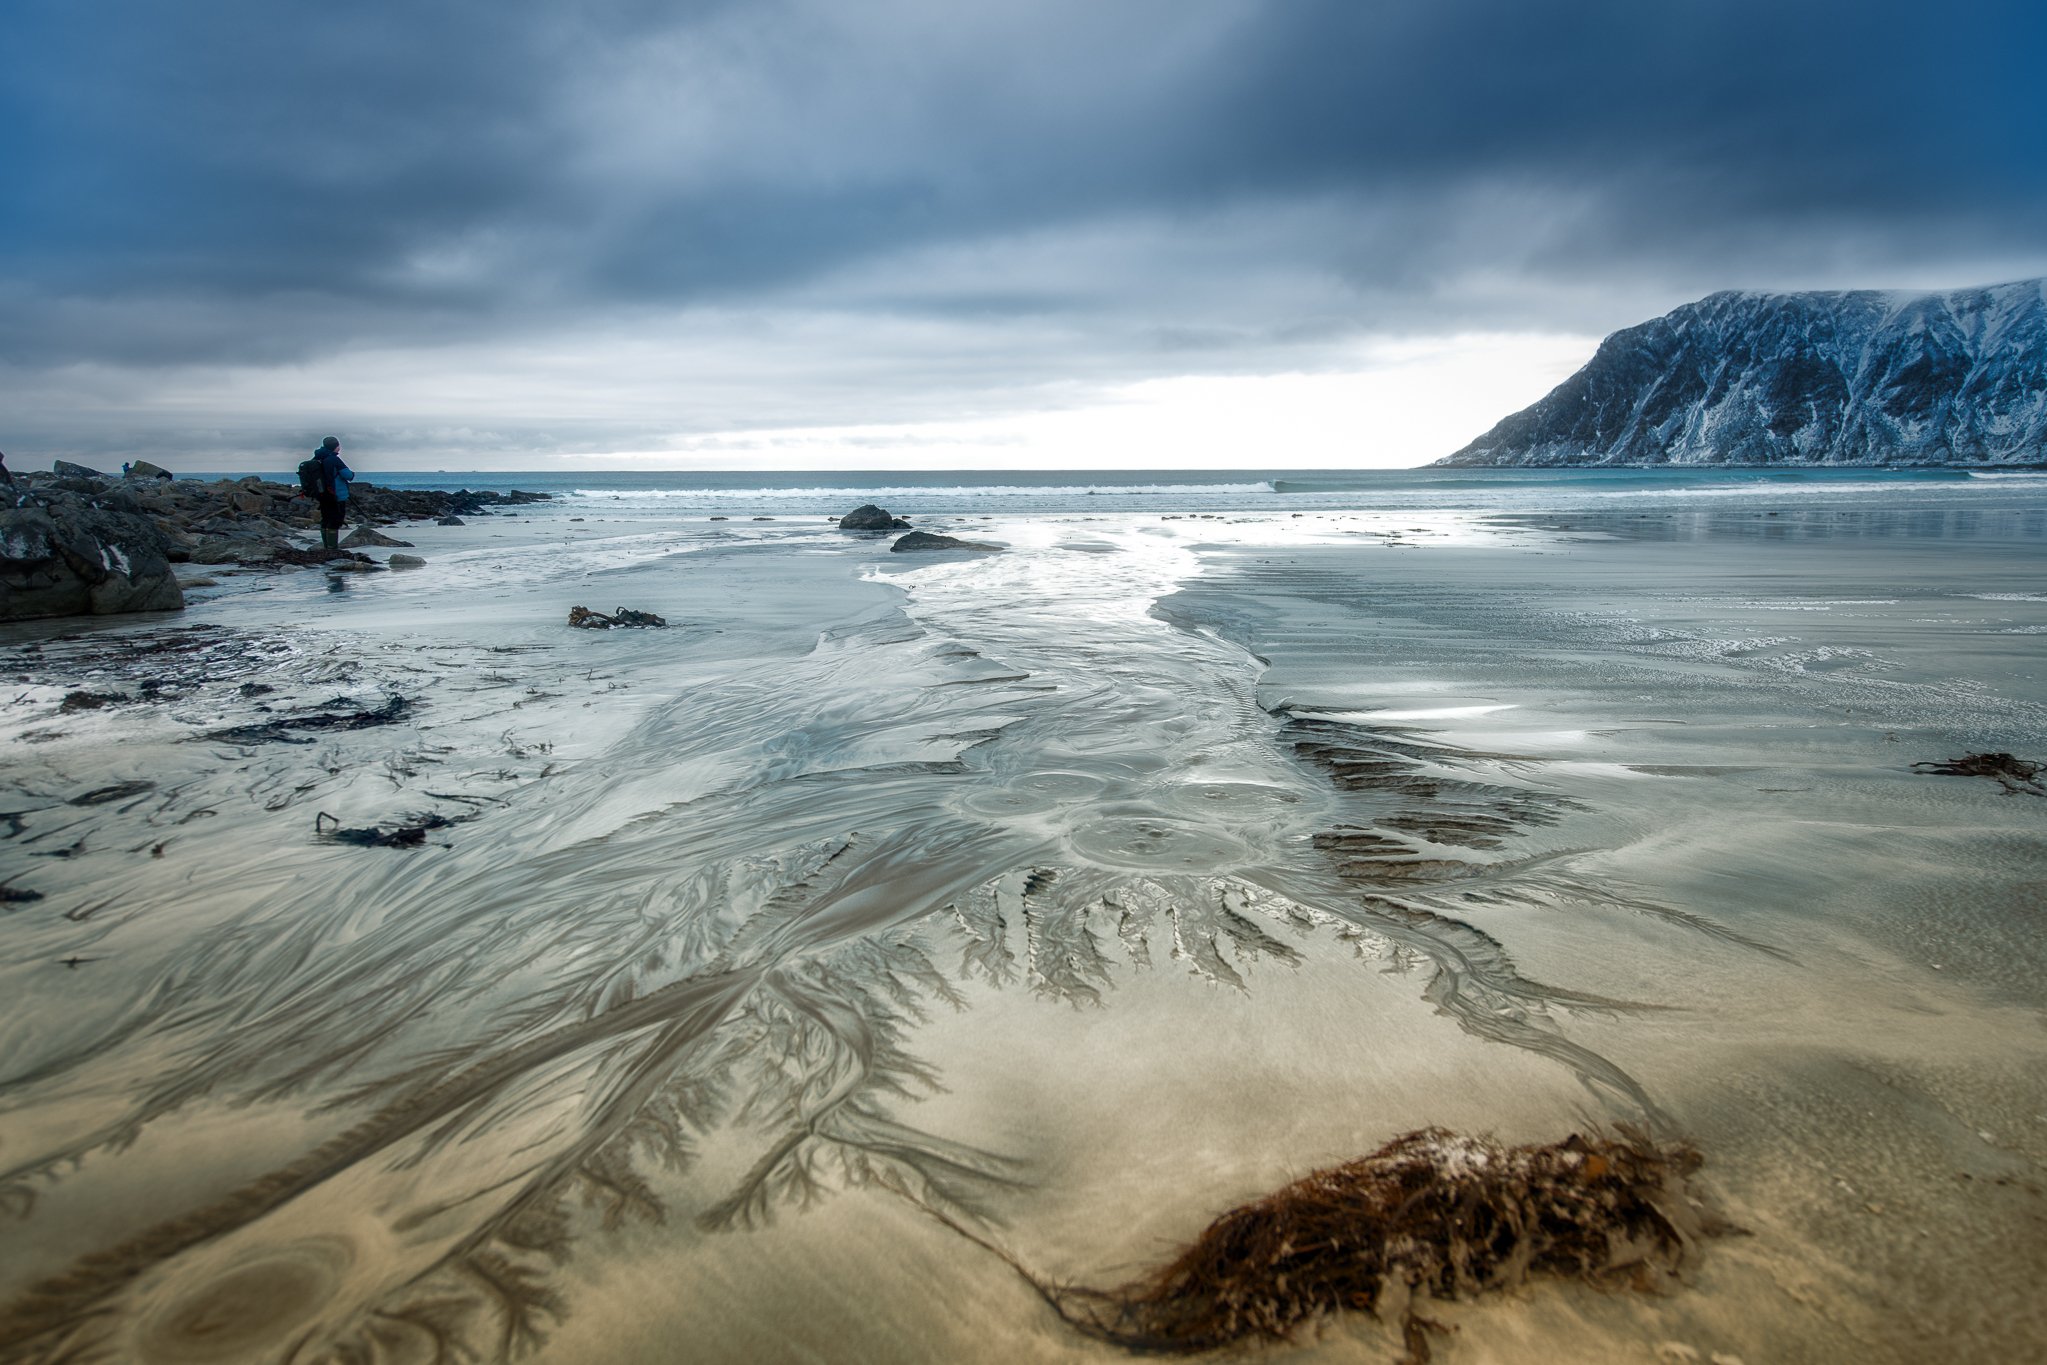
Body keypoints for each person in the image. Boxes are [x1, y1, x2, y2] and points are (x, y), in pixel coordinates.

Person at [311, 436, 354, 553]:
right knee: (335, 521)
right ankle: (332, 549)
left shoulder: (317, 458)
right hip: (336, 495)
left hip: (322, 494)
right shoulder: (334, 459)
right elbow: (348, 475)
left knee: (325, 519)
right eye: (338, 445)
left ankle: (327, 547)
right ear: (336, 446)